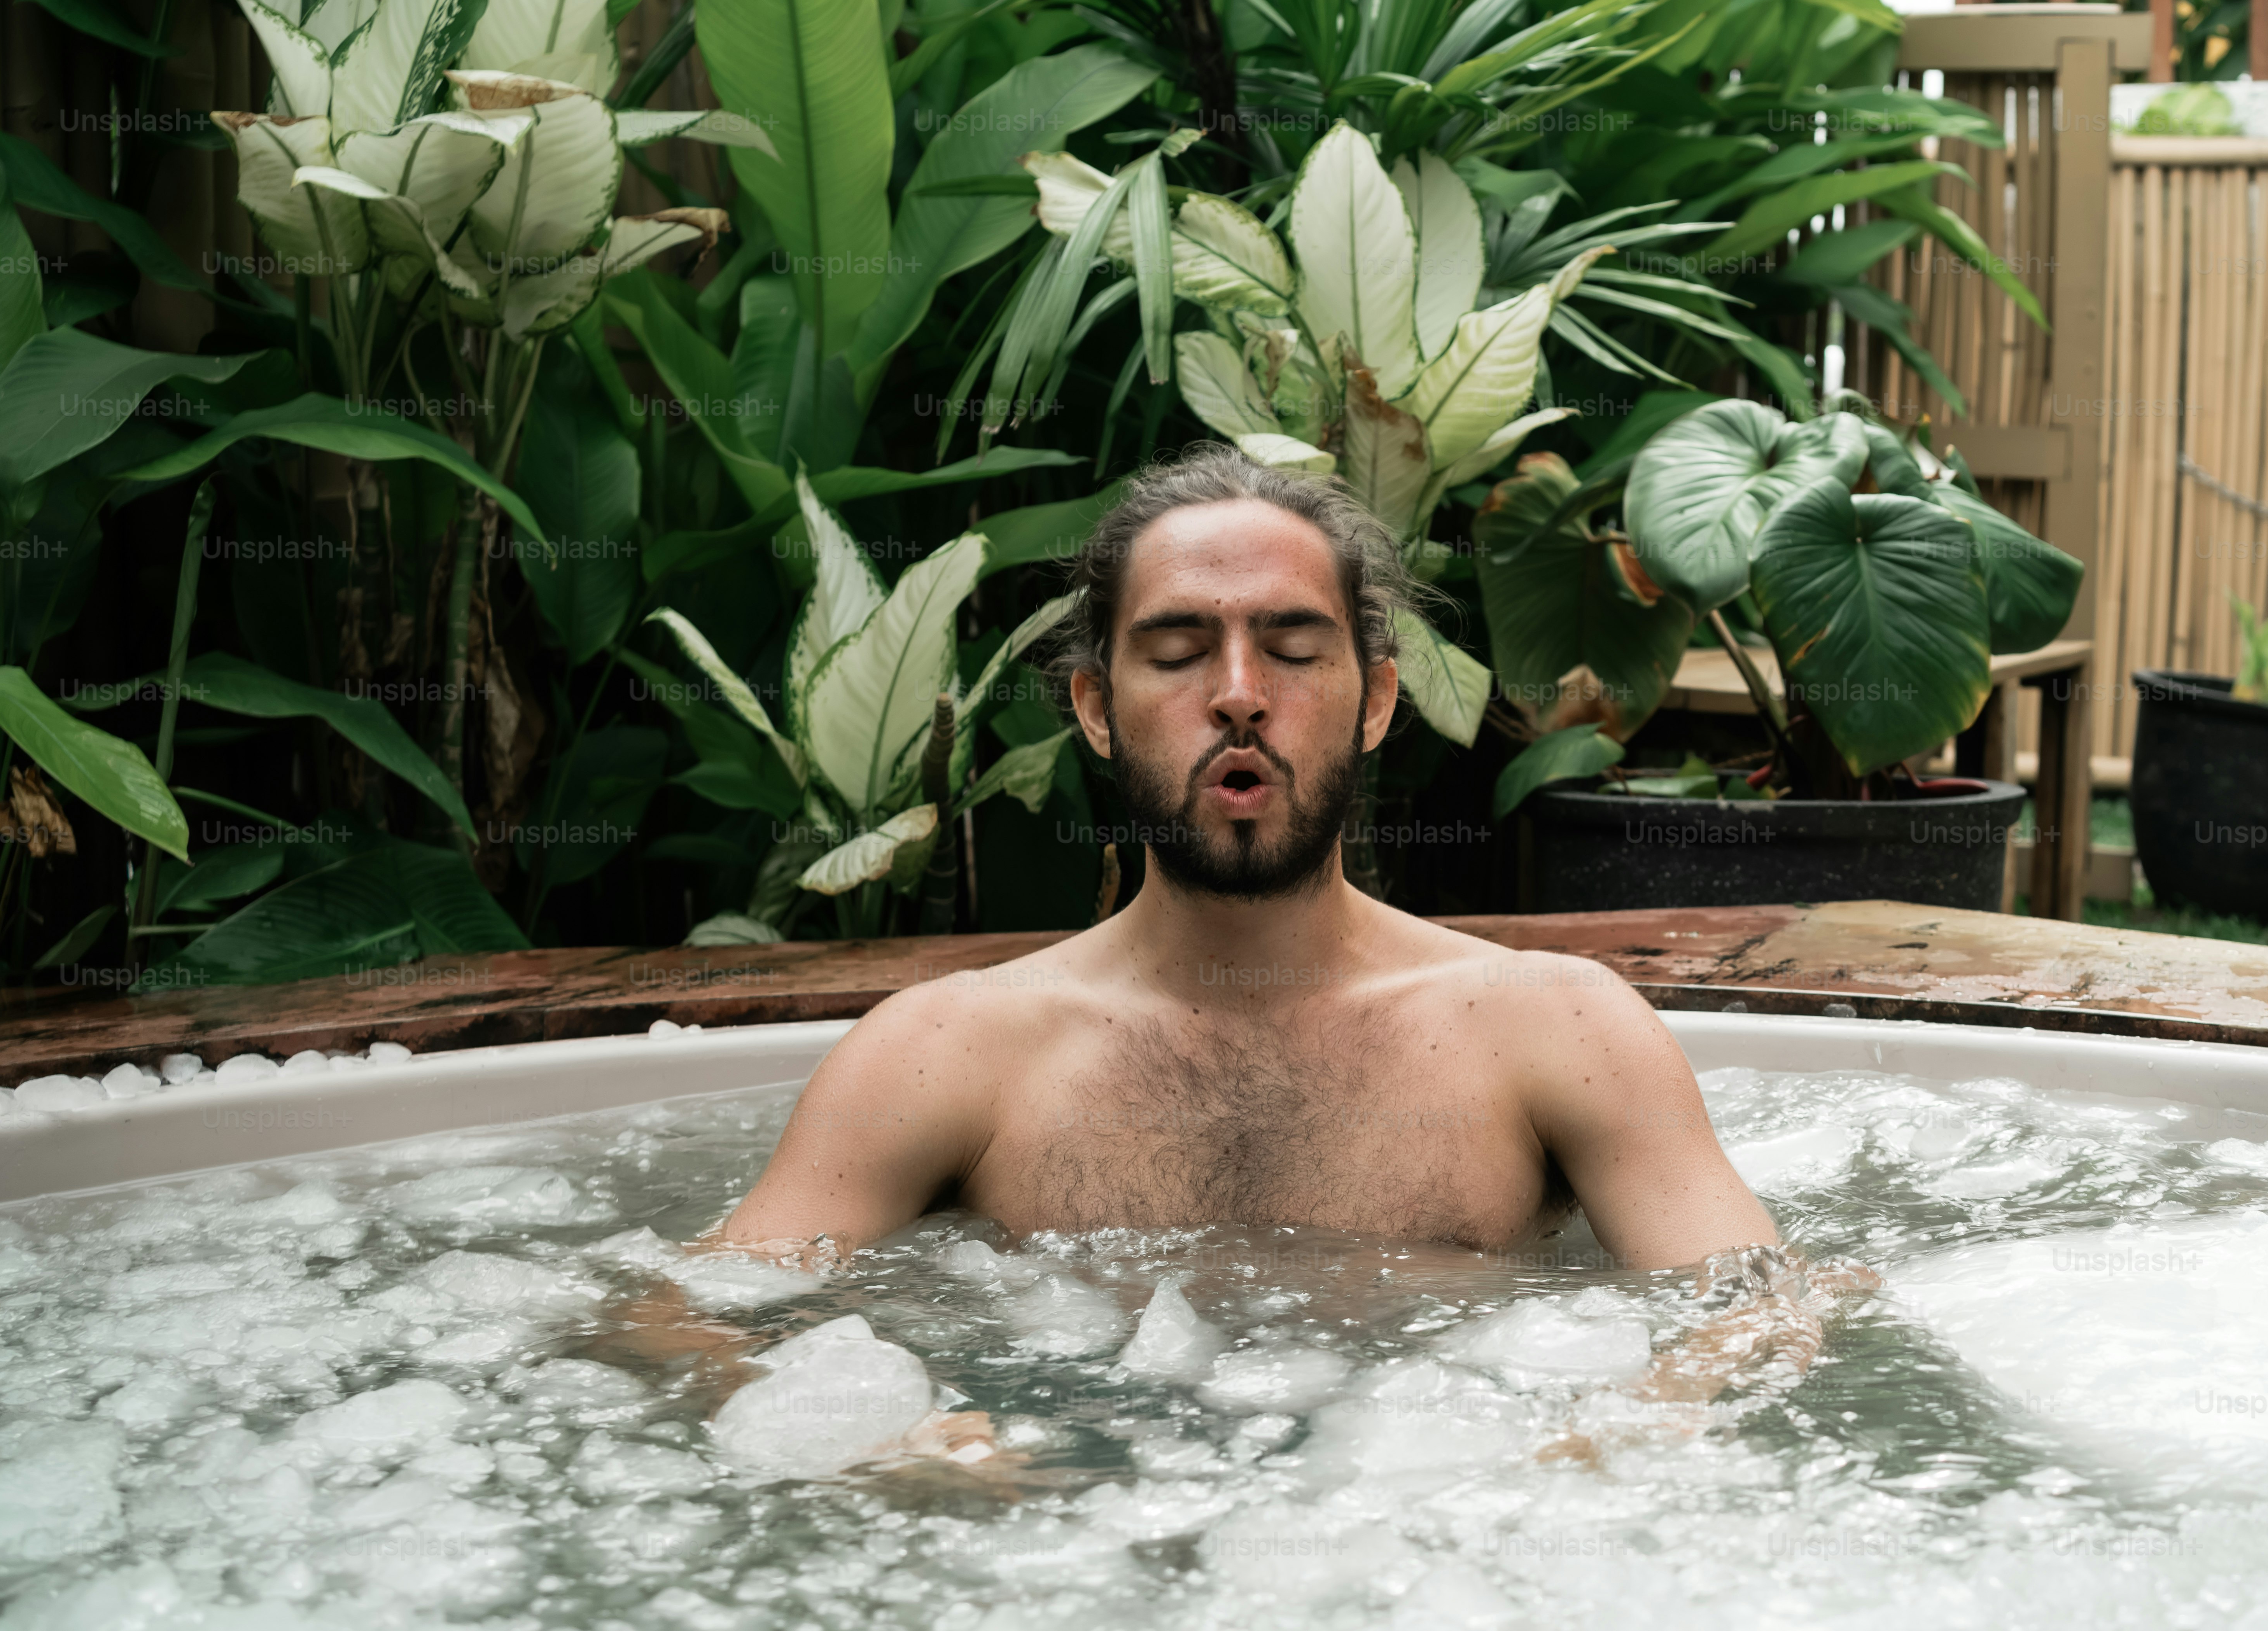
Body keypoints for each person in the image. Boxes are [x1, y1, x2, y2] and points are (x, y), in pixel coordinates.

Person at [615, 442, 1871, 1451]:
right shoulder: (951, 1054)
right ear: (1096, 710)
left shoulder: (1554, 1030)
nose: (1237, 692)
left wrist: (1625, 1430)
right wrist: (873, 1440)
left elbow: (1766, 1306)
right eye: (1176, 652)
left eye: (1293, 649)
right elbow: (667, 1320)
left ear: (1377, 699)